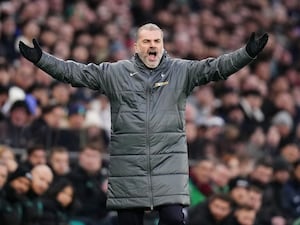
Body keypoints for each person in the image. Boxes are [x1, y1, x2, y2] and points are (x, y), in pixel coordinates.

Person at [19, 23, 268, 225]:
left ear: (162, 45)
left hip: (168, 160)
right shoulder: (114, 72)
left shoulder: (181, 71)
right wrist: (42, 59)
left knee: (172, 218)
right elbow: (75, 73)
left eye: (157, 41)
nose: (152, 46)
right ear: (136, 46)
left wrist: (246, 54)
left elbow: (216, 68)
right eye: (147, 41)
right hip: (129, 162)